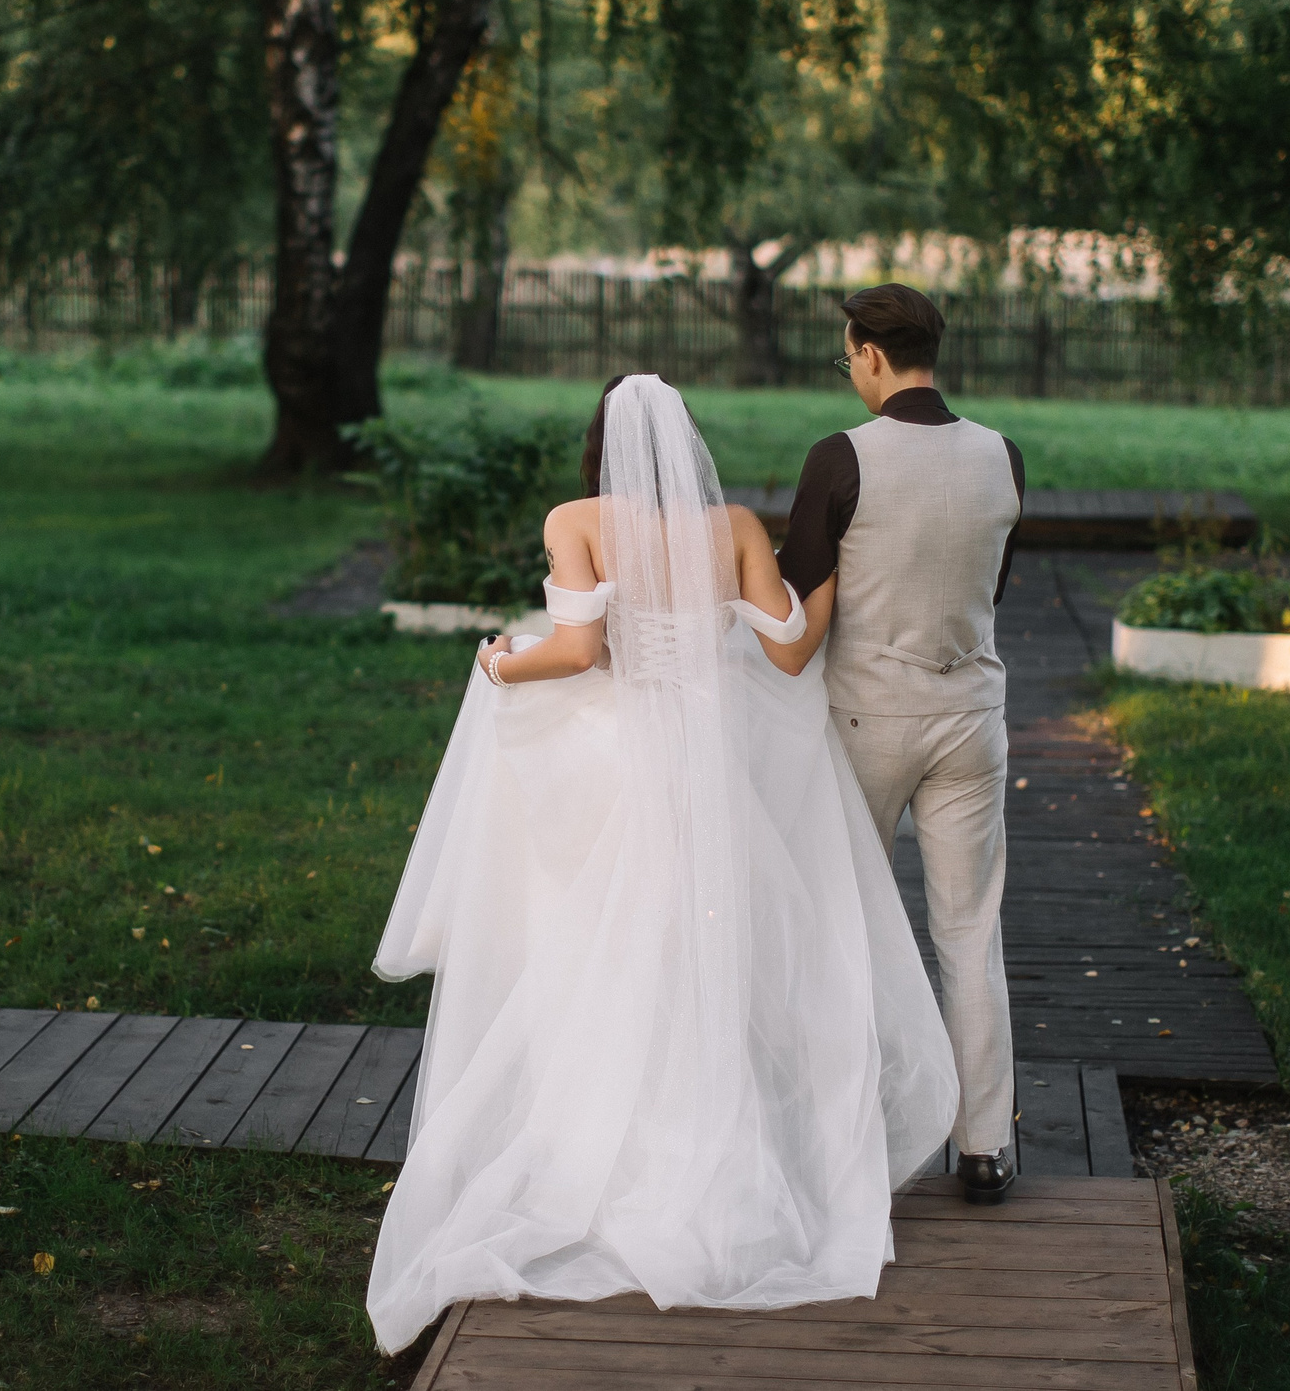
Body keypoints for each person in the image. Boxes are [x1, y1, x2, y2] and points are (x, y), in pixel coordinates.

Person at [363, 373, 958, 1356]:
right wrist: (832, 584)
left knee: (608, 944)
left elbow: (577, 652)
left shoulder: (576, 519)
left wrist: (497, 662)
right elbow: (787, 656)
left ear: (600, 440)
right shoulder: (730, 526)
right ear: (686, 440)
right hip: (715, 770)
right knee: (709, 945)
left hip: (622, 762)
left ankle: (604, 1148)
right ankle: (720, 1156)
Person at [774, 283, 1024, 1204]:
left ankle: (852, 1129)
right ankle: (986, 1145)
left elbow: (798, 597)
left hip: (866, 719)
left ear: (870, 353)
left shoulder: (843, 458)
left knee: (850, 928)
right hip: (971, 718)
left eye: (848, 356)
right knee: (970, 932)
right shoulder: (1004, 456)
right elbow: (991, 583)